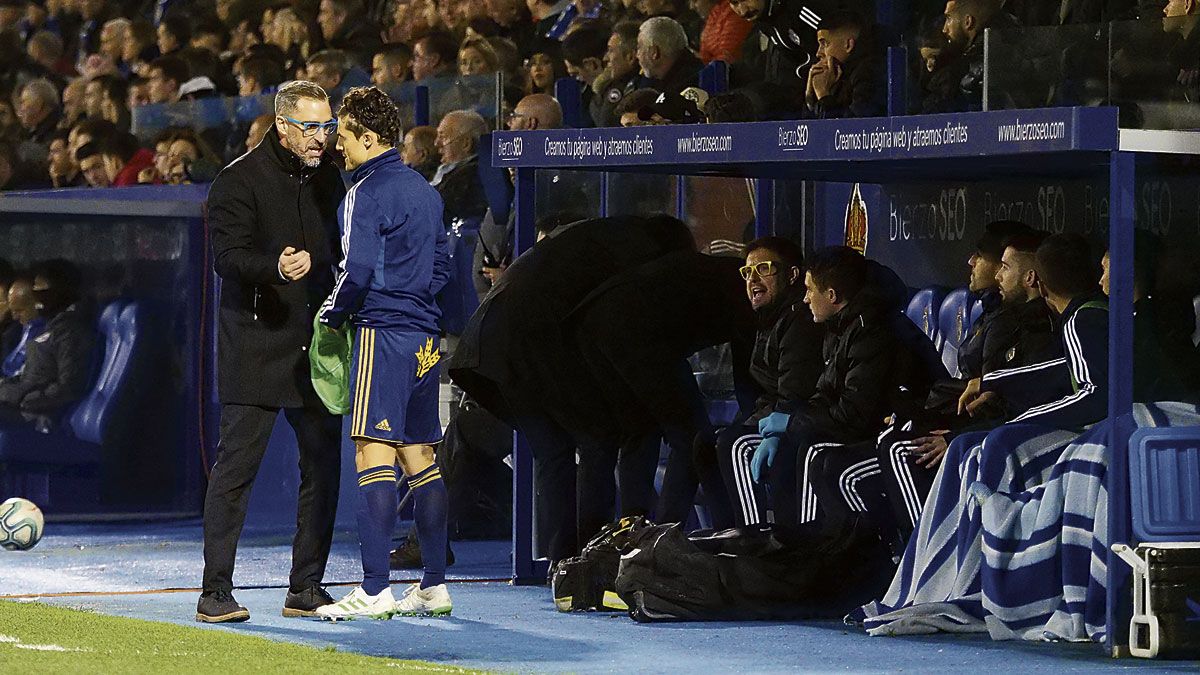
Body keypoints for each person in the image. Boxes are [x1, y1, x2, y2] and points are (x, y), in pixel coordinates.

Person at [198, 80, 346, 624]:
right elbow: (227, 258)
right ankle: (215, 592)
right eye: (311, 127)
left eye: (327, 126)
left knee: (324, 470)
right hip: (256, 350)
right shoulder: (236, 181)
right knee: (235, 473)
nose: (321, 136)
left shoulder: (331, 180)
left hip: (315, 353)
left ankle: (305, 586)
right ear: (282, 126)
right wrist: (276, 268)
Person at [313, 86, 453, 619]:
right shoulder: (425, 189)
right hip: (425, 338)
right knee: (421, 458)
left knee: (372, 453)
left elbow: (358, 270)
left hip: (383, 334)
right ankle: (434, 585)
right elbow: (443, 266)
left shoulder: (364, 193)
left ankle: (373, 590)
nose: (336, 146)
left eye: (343, 135)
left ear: (368, 138)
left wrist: (332, 312)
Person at [716, 237, 825, 533]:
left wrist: (772, 429)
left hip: (801, 418)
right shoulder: (770, 318)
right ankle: (726, 535)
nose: (752, 279)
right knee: (708, 442)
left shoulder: (799, 319)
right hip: (780, 414)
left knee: (734, 444)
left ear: (791, 275)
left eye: (763, 269)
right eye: (747, 272)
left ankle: (755, 542)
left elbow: (795, 391)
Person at [0, 260, 95, 429]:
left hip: (39, 418)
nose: (36, 293)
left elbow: (69, 386)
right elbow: (31, 376)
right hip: (22, 408)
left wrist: (26, 399)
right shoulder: (53, 326)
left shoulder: (70, 330)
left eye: (41, 287)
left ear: (60, 290)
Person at [805, 10, 884, 119]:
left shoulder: (868, 73)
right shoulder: (837, 76)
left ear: (848, 45)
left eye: (825, 44)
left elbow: (850, 130)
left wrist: (824, 95)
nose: (819, 53)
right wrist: (810, 97)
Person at [431, 110, 489, 230]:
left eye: (443, 137)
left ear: (466, 144)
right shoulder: (451, 172)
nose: (436, 143)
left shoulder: (471, 176)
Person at [591, 22, 644, 127]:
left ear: (630, 57)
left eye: (611, 50)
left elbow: (606, 124)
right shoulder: (610, 85)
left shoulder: (634, 88)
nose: (605, 58)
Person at [637, 16, 703, 94]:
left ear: (654, 52)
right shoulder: (661, 81)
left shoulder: (687, 87)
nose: (637, 55)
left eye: (640, 48)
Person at [1, 276, 45, 379]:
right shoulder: (13, 332)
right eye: (12, 310)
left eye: (20, 310)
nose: (14, 317)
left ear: (37, 305)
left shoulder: (46, 335)